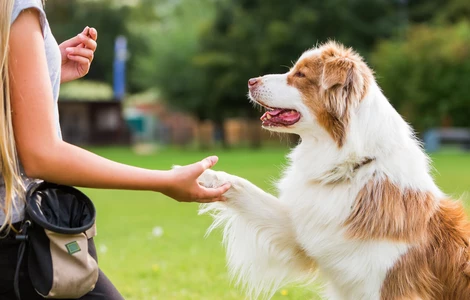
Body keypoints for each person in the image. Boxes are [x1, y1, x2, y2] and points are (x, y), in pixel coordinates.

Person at [0, 0, 231, 299]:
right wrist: (164, 181)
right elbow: (41, 155)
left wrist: (44, 70)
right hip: (14, 240)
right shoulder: (17, 5)